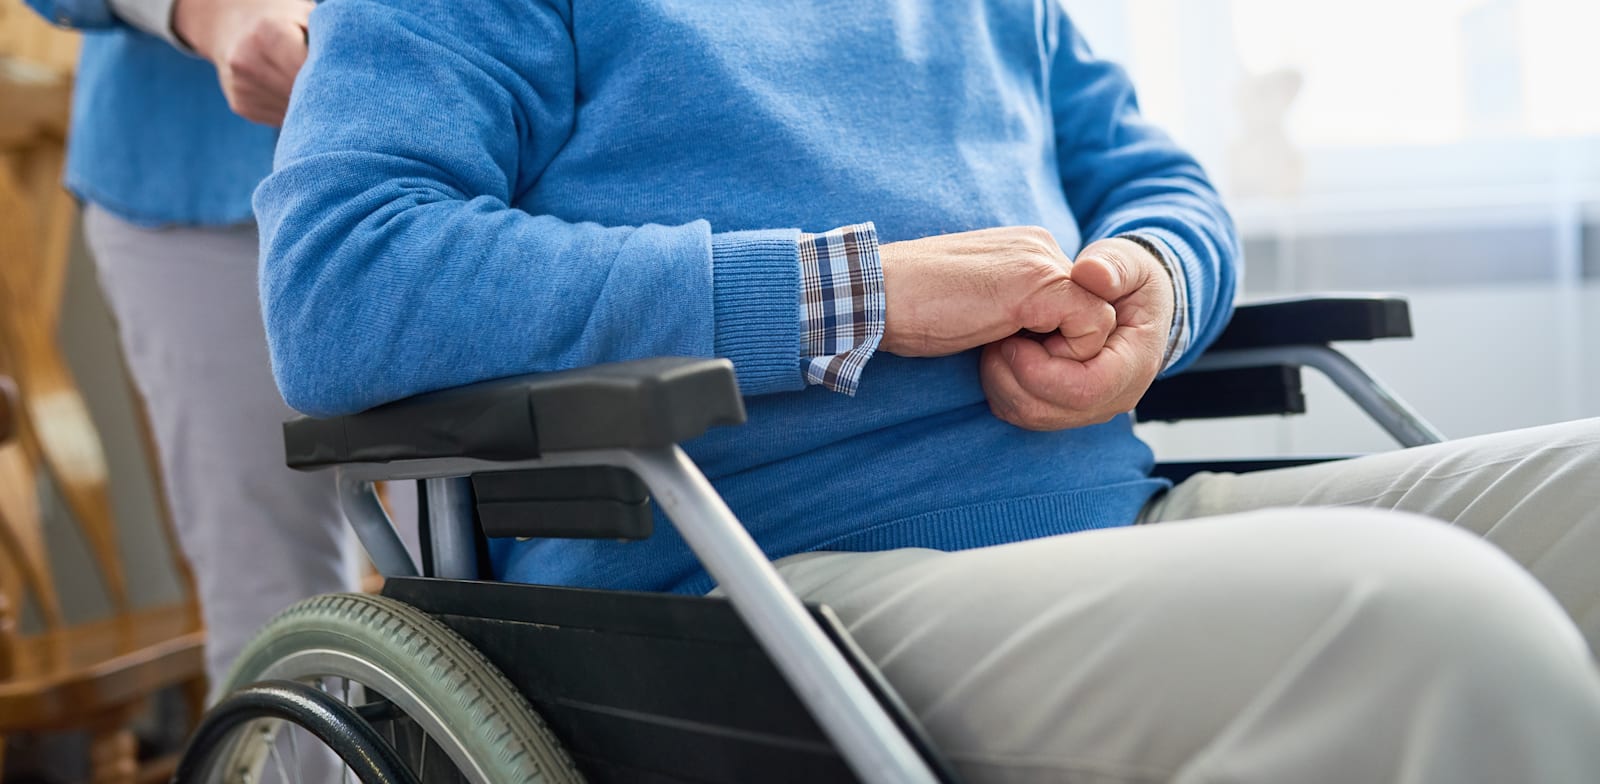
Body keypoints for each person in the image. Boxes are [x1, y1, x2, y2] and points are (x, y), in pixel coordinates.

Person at [257, 0, 1600, 781]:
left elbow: (1158, 180)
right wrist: (855, 297)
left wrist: (1152, 285)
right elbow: (341, 282)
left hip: (1117, 523)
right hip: (772, 591)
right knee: (1430, 626)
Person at [23, 0, 355, 692]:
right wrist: (212, 15)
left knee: (503, 573)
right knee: (273, 613)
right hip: (191, 161)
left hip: (486, 129)